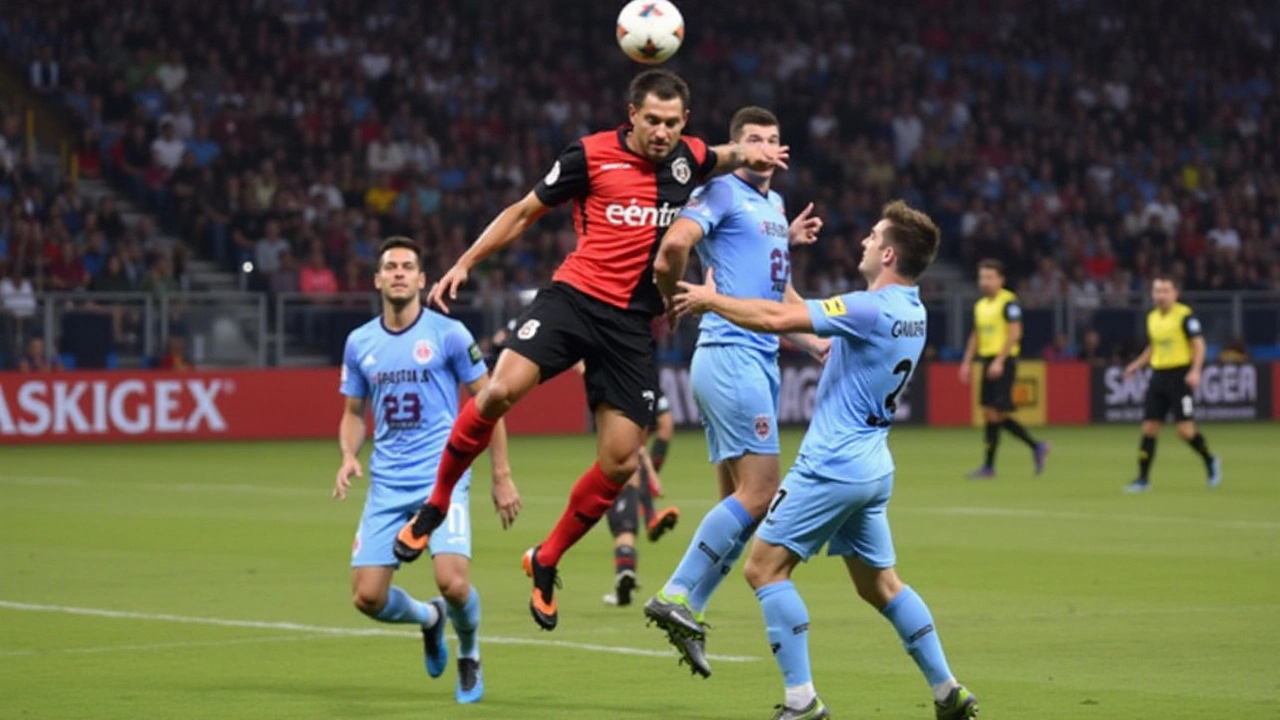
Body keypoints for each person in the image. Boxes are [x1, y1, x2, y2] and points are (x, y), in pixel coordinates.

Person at [390, 69, 786, 631]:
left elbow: (727, 155)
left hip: (631, 328)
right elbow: (524, 211)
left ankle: (545, 558)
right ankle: (436, 503)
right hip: (574, 301)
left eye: (672, 123)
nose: (662, 132)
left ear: (684, 123)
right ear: (632, 114)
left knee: (621, 460)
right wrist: (465, 262)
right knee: (500, 389)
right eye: (652, 120)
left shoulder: (689, 157)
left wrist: (760, 158)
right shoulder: (589, 155)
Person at [667, 201, 978, 720]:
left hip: (830, 466)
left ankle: (801, 701)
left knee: (764, 570)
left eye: (872, 235)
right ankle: (948, 690)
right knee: (881, 585)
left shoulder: (867, 308)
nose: (863, 242)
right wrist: (774, 255)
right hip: (874, 467)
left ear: (889, 253)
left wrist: (713, 298)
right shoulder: (912, 310)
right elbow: (793, 304)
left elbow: (774, 318)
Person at [642, 106, 827, 677]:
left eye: (774, 140)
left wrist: (785, 239)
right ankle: (676, 592)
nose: (766, 148)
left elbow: (768, 282)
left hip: (754, 360)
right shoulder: (720, 191)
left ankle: (690, 607)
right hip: (731, 358)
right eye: (754, 140)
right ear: (737, 146)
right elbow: (673, 247)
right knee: (762, 492)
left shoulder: (771, 207)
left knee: (742, 508)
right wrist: (671, 296)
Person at [333, 237, 522, 703]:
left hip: (443, 478)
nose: (398, 272)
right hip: (387, 483)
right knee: (367, 598)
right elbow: (354, 412)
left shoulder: (448, 335)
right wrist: (349, 454)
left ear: (422, 280)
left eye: (408, 266)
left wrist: (501, 475)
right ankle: (429, 619)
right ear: (377, 280)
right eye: (390, 266)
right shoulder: (360, 343)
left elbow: (490, 402)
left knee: (453, 583)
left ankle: (470, 652)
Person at [1121, 276, 1221, 492]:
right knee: (1149, 428)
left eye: (1165, 291)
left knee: (1185, 431)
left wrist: (1195, 371)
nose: (1161, 295)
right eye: (1157, 291)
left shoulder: (1185, 316)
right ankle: (1143, 479)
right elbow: (1153, 347)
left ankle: (1210, 460)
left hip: (1180, 377)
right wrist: (1136, 364)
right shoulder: (1152, 318)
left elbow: (1199, 344)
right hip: (1158, 376)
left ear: (1176, 293)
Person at [958, 259, 1049, 479]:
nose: (985, 282)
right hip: (987, 360)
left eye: (989, 277)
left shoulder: (1009, 302)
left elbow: (1015, 332)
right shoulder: (981, 306)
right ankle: (1033, 448)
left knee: (996, 412)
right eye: (982, 277)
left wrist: (1000, 360)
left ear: (1001, 280)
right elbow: (976, 335)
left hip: (1004, 361)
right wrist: (967, 361)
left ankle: (994, 464)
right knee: (991, 413)